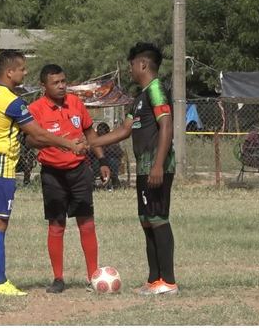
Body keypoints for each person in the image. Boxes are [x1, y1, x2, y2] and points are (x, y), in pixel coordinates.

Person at [0, 51, 87, 296]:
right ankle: (0, 282)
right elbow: (38, 133)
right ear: (9, 72)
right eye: (22, 69)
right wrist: (69, 144)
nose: (25, 73)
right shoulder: (12, 101)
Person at [89, 42, 178, 295]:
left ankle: (168, 282)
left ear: (142, 64)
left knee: (158, 220)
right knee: (147, 221)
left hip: (156, 167)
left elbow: (167, 126)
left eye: (131, 65)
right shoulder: (139, 98)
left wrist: (159, 164)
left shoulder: (157, 90)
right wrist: (90, 142)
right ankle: (154, 280)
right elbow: (124, 130)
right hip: (143, 169)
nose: (130, 70)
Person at [26, 64, 111, 294]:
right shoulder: (35, 109)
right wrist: (55, 141)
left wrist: (102, 161)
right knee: (56, 225)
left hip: (80, 171)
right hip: (53, 174)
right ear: (44, 86)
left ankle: (93, 276)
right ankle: (58, 278)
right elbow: (31, 141)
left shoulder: (76, 103)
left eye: (64, 81)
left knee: (87, 222)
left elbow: (90, 133)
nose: (62, 86)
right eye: (56, 82)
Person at [89, 122, 124, 188]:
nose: (101, 132)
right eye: (99, 130)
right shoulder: (95, 139)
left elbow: (120, 153)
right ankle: (97, 180)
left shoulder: (112, 138)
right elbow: (90, 151)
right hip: (98, 160)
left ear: (107, 131)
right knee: (96, 162)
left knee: (113, 161)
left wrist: (108, 149)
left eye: (103, 130)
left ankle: (114, 179)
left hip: (110, 159)